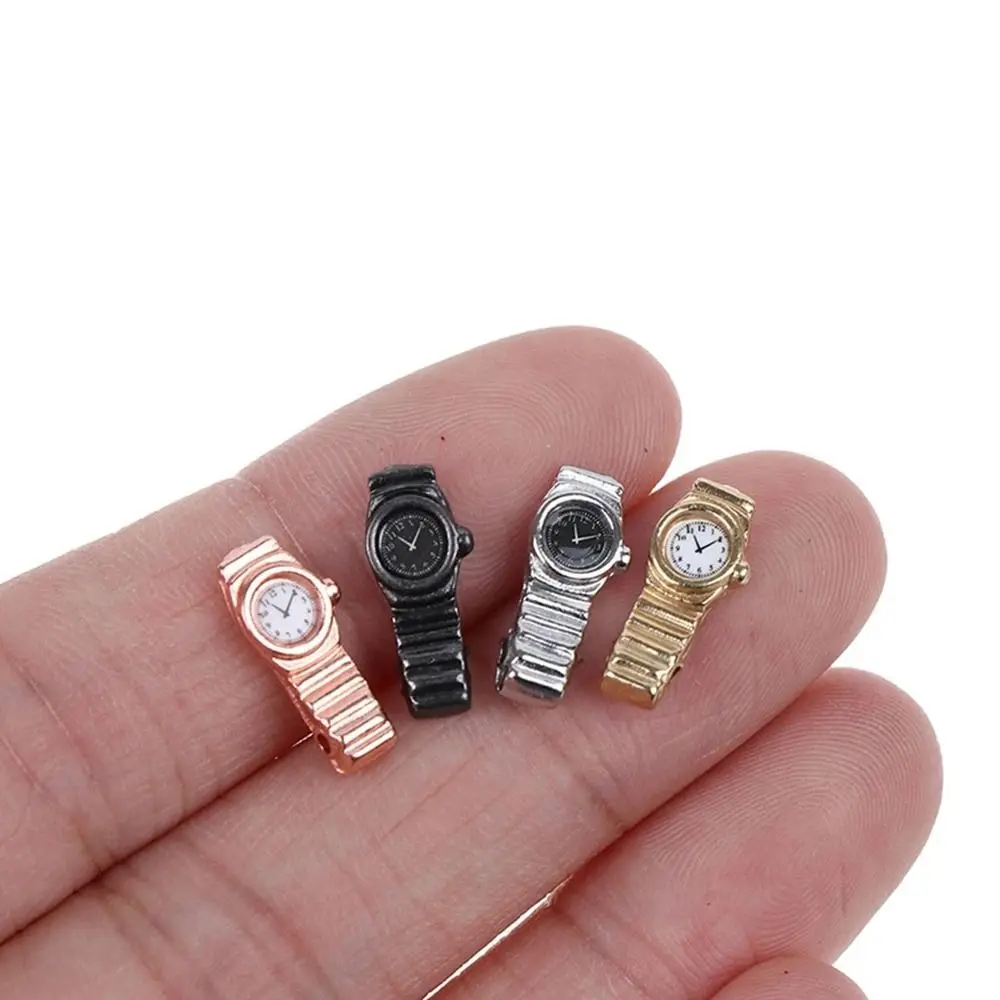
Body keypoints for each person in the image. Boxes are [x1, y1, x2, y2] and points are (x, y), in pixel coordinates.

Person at [0, 328, 941, 999]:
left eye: (704, 555)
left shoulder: (582, 534)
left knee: (566, 633)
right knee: (384, 661)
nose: (421, 546)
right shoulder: (350, 574)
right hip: (396, 632)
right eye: (288, 607)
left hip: (558, 603)